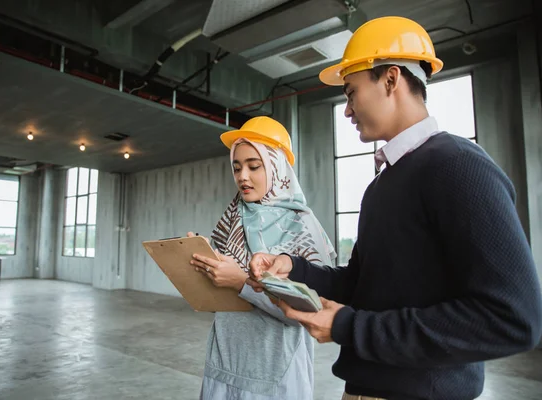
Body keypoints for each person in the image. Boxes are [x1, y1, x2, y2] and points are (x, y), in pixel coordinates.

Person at [248, 16, 542, 400]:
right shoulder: (383, 184)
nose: (348, 110)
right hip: (366, 387)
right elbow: (362, 283)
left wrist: (349, 328)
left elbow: (513, 319)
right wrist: (295, 269)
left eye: (351, 93)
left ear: (390, 79)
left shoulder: (458, 166)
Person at [187, 116, 336, 399]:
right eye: (236, 167)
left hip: (274, 373)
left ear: (277, 166)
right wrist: (203, 261)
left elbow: (308, 312)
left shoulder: (302, 226)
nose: (243, 175)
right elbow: (213, 294)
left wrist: (241, 282)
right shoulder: (231, 218)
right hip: (225, 362)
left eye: (254, 166)